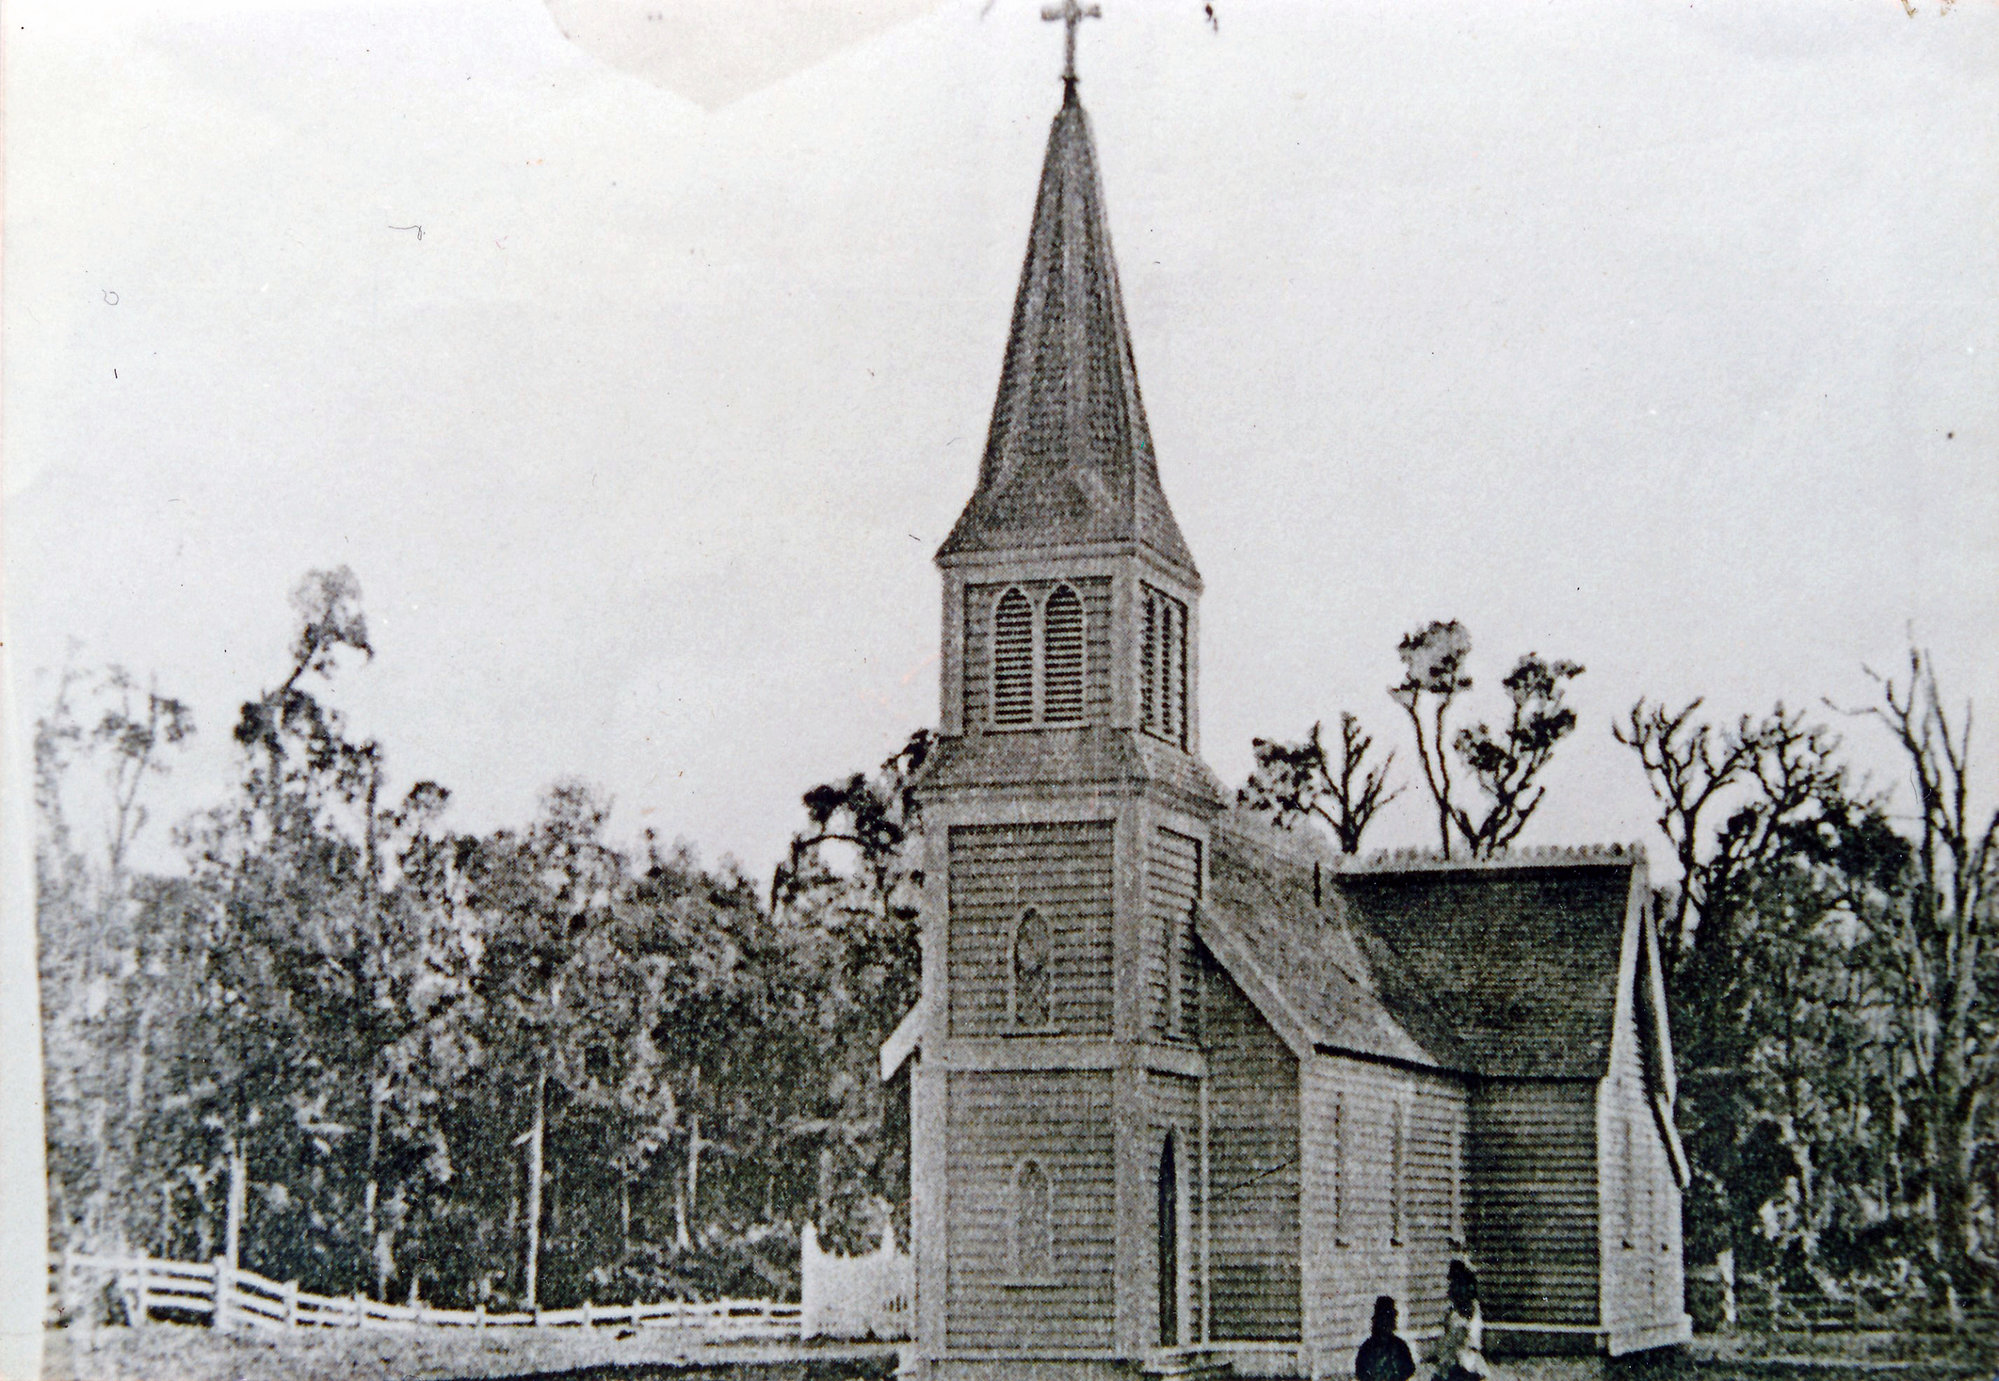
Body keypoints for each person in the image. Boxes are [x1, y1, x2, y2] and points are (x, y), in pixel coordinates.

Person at [1433, 1260, 1490, 1381]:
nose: (1453, 1289)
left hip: (1468, 1360)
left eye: (1457, 1284)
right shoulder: (1453, 1312)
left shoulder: (1472, 1310)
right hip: (1451, 1360)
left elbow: (1472, 1337)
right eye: (1453, 1284)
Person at [1355, 1295, 1416, 1381]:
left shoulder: (1400, 1346)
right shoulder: (1367, 1348)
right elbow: (1361, 1373)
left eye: (1388, 1318)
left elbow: (1409, 1370)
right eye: (1383, 1318)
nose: (1385, 1322)